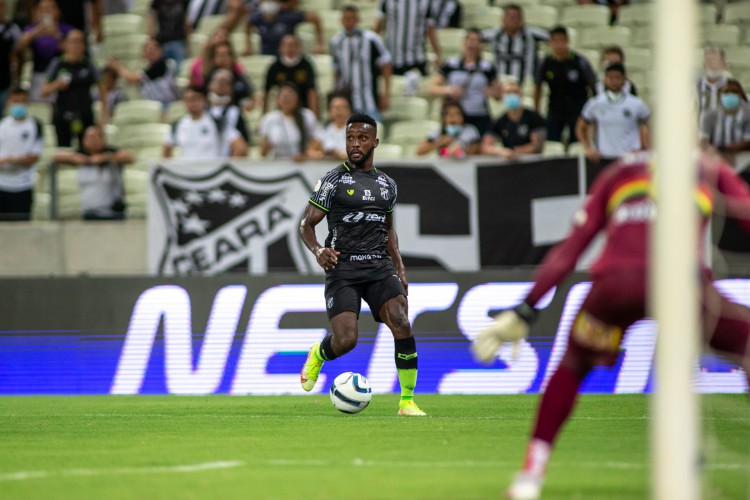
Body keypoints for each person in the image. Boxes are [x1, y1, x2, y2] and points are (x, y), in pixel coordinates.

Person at [471, 150, 750, 499]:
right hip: (682, 286)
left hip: (616, 286)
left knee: (572, 365)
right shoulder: (708, 167)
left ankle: (530, 475)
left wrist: (527, 307)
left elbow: (572, 247)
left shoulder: (621, 171)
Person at [298, 113, 427, 417]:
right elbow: (305, 225)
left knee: (402, 323)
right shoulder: (333, 180)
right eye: (350, 138)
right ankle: (318, 353)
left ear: (375, 142)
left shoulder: (387, 185)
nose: (355, 144)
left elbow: (388, 230)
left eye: (362, 138)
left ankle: (407, 401)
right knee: (346, 341)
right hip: (343, 269)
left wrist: (400, 268)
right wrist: (318, 251)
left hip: (379, 267)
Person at [428, 28, 501, 135]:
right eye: (470, 40)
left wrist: (492, 92)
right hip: (456, 116)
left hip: (479, 116)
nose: (473, 44)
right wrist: (449, 90)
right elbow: (432, 88)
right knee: (452, 148)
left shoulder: (487, 68)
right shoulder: (451, 64)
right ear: (464, 42)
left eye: (477, 41)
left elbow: (498, 95)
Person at [53, 125, 135, 220]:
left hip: (111, 212)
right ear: (84, 141)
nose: (94, 141)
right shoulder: (82, 156)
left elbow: (129, 157)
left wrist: (104, 158)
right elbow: (56, 156)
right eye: (90, 138)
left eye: (97, 137)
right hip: (88, 212)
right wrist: (80, 159)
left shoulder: (110, 153)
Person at [534, 25, 596, 145]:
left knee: (577, 143)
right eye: (555, 41)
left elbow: (593, 86)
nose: (558, 45)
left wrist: (592, 111)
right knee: (552, 143)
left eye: (561, 41)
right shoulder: (546, 63)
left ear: (567, 41)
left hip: (578, 110)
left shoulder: (579, 62)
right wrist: (536, 111)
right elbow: (538, 87)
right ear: (550, 43)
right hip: (555, 109)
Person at [576, 63, 650, 161]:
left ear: (624, 80)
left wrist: (646, 148)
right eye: (611, 78)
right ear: (605, 79)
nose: (614, 81)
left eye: (617, 78)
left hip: (630, 158)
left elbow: (650, 126)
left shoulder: (636, 104)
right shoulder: (595, 103)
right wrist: (588, 148)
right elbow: (580, 127)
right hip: (604, 158)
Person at [330, 4, 392, 122]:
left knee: (373, 133)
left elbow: (386, 66)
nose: (349, 22)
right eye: (346, 19)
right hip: (347, 100)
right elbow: (336, 70)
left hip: (368, 99)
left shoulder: (371, 39)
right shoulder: (336, 42)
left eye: (352, 18)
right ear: (341, 21)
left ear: (358, 20)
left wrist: (386, 94)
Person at [41, 29, 99, 147]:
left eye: (81, 42)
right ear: (66, 44)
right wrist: (57, 84)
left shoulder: (88, 64)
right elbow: (44, 91)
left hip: (85, 113)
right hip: (63, 113)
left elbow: (103, 88)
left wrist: (102, 118)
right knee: (63, 149)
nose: (78, 45)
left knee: (86, 149)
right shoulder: (57, 63)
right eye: (74, 41)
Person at [375, 0, 441, 96]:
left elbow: (430, 30)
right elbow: (378, 28)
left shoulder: (426, 2)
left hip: (416, 61)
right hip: (392, 59)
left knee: (414, 96)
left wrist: (437, 54)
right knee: (392, 95)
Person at [163, 85, 247, 159]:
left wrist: (225, 168)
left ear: (204, 100)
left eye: (195, 99)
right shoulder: (178, 125)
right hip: (187, 174)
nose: (191, 103)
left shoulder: (217, 122)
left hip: (212, 173)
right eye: (187, 99)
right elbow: (166, 149)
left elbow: (240, 147)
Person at [0, 87, 44, 221]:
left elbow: (35, 156)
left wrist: (13, 159)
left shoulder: (35, 125)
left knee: (21, 225)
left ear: (28, 103)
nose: (18, 105)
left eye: (22, 101)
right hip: (2, 184)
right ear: (9, 103)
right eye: (15, 101)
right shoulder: (2, 125)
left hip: (24, 184)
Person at [17, 0, 74, 103]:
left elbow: (72, 50)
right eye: (42, 9)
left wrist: (56, 35)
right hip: (39, 74)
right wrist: (38, 30)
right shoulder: (32, 29)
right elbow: (20, 45)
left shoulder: (66, 29)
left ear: (57, 11)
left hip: (61, 75)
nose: (46, 12)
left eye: (49, 9)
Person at [107, 38, 180, 118]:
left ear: (160, 51)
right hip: (152, 105)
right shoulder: (148, 67)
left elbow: (132, 79)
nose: (150, 52)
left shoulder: (161, 65)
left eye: (153, 49)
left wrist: (116, 65)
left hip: (166, 105)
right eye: (147, 49)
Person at [481, 3, 548, 86]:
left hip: (524, 86)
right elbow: (475, 38)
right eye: (510, 17)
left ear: (522, 20)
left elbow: (551, 38)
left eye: (516, 17)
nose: (512, 20)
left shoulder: (531, 35)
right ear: (503, 19)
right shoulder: (494, 35)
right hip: (499, 85)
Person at [481, 79, 546, 159]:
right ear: (502, 96)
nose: (511, 95)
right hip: (510, 161)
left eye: (515, 92)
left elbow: (536, 146)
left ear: (521, 95)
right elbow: (485, 147)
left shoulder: (534, 117)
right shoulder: (499, 121)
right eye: (508, 92)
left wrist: (517, 152)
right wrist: (501, 151)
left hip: (531, 161)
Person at [258, 81, 319, 160]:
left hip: (302, 163)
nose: (287, 99)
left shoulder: (307, 116)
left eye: (291, 95)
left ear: (297, 98)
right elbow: (263, 153)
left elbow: (316, 141)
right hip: (278, 164)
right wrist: (266, 145)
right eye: (284, 96)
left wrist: (306, 154)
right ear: (277, 100)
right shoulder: (269, 119)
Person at [263, 34, 318, 116]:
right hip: (281, 110)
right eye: (286, 46)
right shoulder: (275, 66)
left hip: (302, 109)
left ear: (299, 47)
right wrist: (264, 115)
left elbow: (312, 91)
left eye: (293, 45)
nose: (290, 48)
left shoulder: (306, 65)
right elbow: (266, 91)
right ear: (280, 48)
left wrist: (314, 114)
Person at [246, 0, 324, 56]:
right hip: (266, 56)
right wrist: (248, 46)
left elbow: (314, 17)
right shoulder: (259, 18)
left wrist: (319, 44)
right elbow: (248, 23)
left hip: (286, 57)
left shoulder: (288, 16)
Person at [699, 79, 750, 164]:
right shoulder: (709, 116)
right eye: (726, 92)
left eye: (734, 92)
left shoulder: (748, 114)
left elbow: (748, 143)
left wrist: (721, 149)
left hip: (746, 163)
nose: (730, 95)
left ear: (741, 94)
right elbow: (703, 140)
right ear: (720, 95)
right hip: (715, 162)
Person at [415, 99, 480, 158]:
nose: (453, 118)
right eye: (449, 115)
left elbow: (473, 151)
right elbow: (419, 151)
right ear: (444, 118)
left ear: (462, 117)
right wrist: (439, 143)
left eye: (457, 114)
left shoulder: (469, 130)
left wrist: (458, 151)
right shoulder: (439, 131)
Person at [149, 0, 191, 71]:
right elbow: (152, 21)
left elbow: (186, 23)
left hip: (178, 40)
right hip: (162, 41)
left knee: (180, 68)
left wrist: (188, 43)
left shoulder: (183, 2)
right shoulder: (157, 2)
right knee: (159, 69)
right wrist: (152, 40)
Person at [309, 91, 352, 161]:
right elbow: (311, 152)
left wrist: (339, 155)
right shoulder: (322, 131)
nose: (340, 111)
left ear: (349, 111)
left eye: (343, 107)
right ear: (329, 111)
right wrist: (321, 154)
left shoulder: (357, 131)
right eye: (336, 108)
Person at [0, 0, 21, 116]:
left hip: (5, 82)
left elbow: (16, 56)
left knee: (5, 117)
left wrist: (15, 81)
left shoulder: (12, 28)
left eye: (1, 7)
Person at [698, 46, 730, 122]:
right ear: (704, 65)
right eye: (709, 61)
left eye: (716, 61)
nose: (713, 65)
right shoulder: (695, 88)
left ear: (724, 64)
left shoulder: (733, 89)